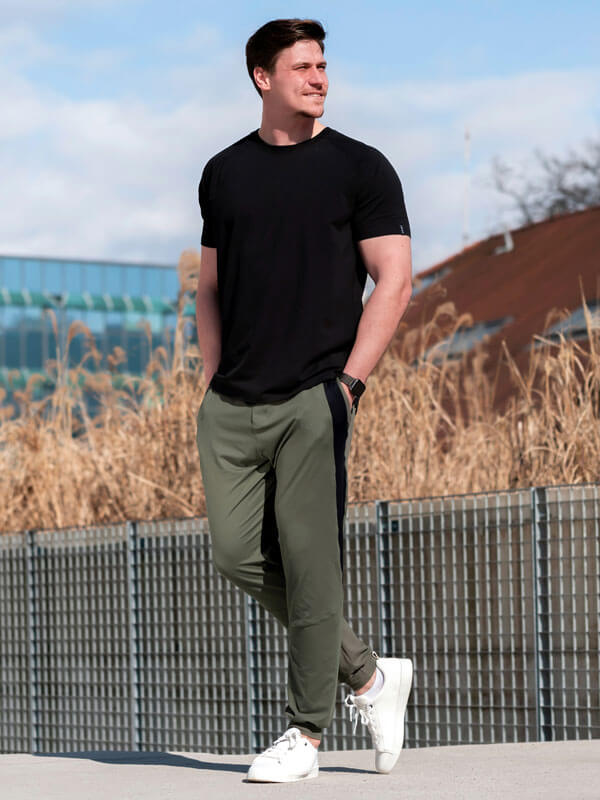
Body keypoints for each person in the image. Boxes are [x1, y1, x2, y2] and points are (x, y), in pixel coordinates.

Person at [195, 17, 413, 784]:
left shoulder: (360, 168)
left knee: (311, 565)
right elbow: (209, 287)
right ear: (263, 77)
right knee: (235, 554)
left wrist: (347, 386)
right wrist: (211, 379)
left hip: (313, 396)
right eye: (302, 66)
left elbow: (394, 279)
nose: (319, 78)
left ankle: (307, 735)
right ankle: (370, 676)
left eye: (323, 65)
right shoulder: (224, 173)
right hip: (231, 404)